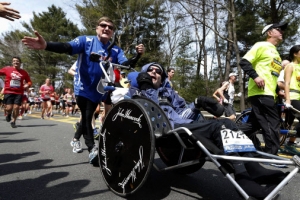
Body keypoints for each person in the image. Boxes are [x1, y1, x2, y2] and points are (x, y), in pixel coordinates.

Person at [125, 63, 287, 199]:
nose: (154, 72)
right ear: (142, 75)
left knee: (227, 124)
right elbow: (144, 116)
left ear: (162, 78)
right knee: (220, 125)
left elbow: (182, 115)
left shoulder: (170, 93)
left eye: (158, 71)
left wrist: (196, 104)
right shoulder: (136, 92)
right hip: (162, 130)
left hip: (182, 126)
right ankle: (244, 179)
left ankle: (252, 170)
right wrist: (146, 86)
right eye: (150, 70)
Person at [22, 16, 145, 164]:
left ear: (112, 32)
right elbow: (66, 47)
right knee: (87, 115)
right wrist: (46, 45)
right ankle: (92, 148)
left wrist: (138, 55)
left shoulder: (115, 50)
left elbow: (126, 64)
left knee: (88, 116)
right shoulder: (85, 41)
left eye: (110, 27)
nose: (106, 28)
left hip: (98, 89)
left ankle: (75, 139)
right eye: (103, 25)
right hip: (82, 86)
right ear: (97, 28)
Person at [239, 22, 288, 155]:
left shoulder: (276, 53)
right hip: (261, 92)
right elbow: (244, 62)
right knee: (272, 122)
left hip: (270, 94)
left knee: (253, 125)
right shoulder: (261, 45)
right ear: (269, 32)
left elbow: (272, 75)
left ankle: (224, 137)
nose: (282, 32)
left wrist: (278, 91)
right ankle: (271, 155)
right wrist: (255, 76)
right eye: (279, 29)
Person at [0, 56, 32, 128]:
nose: (15, 62)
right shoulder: (7, 69)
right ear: (12, 62)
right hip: (8, 91)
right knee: (9, 108)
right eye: (14, 61)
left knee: (17, 107)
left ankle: (13, 121)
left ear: (20, 63)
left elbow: (29, 81)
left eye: (17, 61)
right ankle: (8, 114)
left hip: (18, 92)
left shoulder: (24, 72)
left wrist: (28, 85)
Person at [282, 45, 300, 152]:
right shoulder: (290, 66)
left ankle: (290, 142)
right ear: (295, 54)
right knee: (287, 123)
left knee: (289, 124)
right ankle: (289, 143)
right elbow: (287, 83)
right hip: (293, 97)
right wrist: (287, 99)